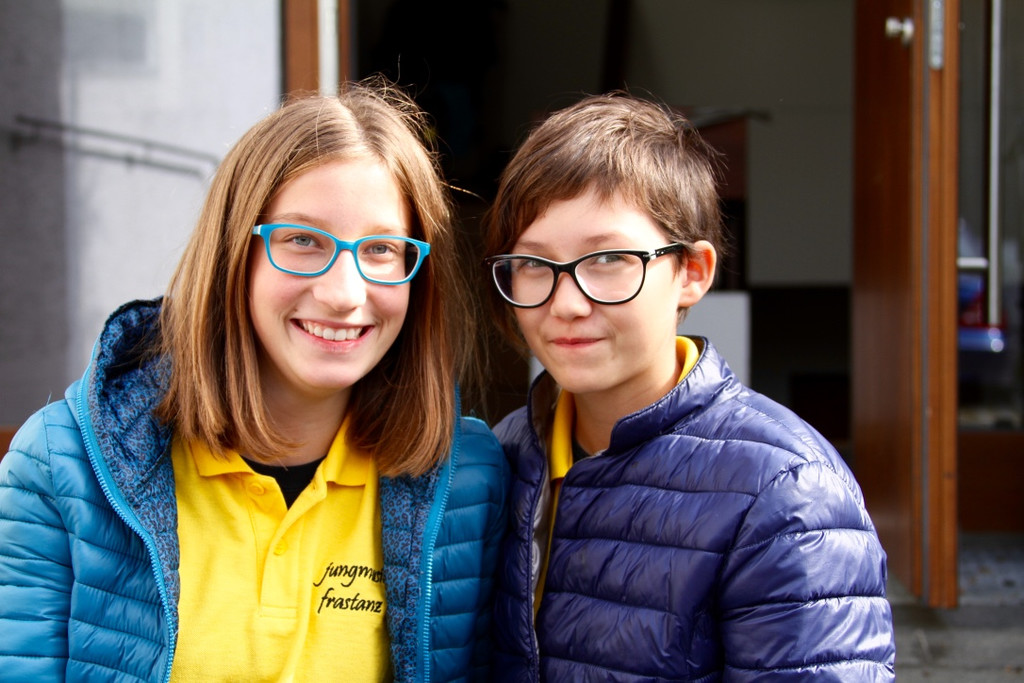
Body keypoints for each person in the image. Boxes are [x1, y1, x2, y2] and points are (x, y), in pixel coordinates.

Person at [0, 79, 507, 682]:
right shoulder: (61, 466)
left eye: (380, 250)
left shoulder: (468, 478)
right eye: (302, 240)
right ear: (232, 255)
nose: (344, 294)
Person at [482, 92, 895, 681]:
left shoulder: (786, 493)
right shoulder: (505, 455)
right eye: (533, 264)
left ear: (692, 272)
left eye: (608, 259)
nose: (566, 303)